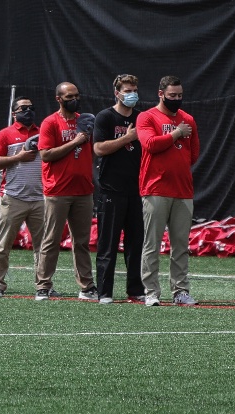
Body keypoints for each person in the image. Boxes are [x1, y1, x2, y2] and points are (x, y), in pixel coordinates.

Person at [136, 75, 201, 306]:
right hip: (155, 189)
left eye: (180, 95)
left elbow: (193, 154)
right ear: (161, 94)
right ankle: (151, 292)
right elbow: (150, 144)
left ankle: (180, 291)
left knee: (180, 245)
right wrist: (176, 134)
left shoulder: (188, 119)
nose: (176, 99)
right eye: (172, 95)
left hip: (183, 190)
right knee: (152, 244)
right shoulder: (146, 117)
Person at [33, 82, 97, 301]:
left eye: (77, 95)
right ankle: (43, 285)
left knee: (81, 242)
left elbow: (92, 151)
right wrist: (75, 142)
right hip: (57, 190)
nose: (75, 99)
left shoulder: (85, 120)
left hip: (83, 190)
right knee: (51, 240)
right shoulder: (50, 122)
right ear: (59, 99)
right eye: (70, 96)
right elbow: (46, 154)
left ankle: (86, 286)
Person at [0, 96, 48, 298]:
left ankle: (43, 285)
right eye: (23, 108)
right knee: (3, 244)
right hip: (13, 197)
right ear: (14, 113)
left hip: (39, 198)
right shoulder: (5, 134)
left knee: (43, 246)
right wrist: (18, 157)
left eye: (31, 107)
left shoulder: (43, 132)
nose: (28, 111)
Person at [93, 74, 147, 304]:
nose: (131, 94)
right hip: (111, 190)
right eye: (127, 90)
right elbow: (99, 148)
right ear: (117, 93)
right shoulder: (105, 117)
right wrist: (128, 138)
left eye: (134, 90)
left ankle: (136, 289)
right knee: (108, 244)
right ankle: (105, 292)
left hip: (136, 190)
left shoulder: (142, 118)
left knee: (136, 244)